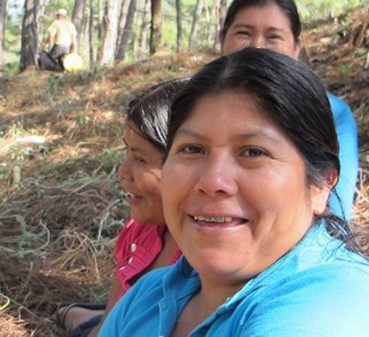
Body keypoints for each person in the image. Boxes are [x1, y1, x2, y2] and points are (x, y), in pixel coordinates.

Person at [99, 47, 369, 336]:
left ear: (320, 185)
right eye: (192, 149)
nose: (212, 180)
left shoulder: (329, 305)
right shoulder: (148, 296)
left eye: (253, 152)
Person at [54, 79, 187, 337]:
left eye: (140, 159)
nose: (123, 171)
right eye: (126, 153)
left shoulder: (202, 264)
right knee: (70, 316)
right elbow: (108, 327)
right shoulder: (138, 231)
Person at [219, 0, 359, 221]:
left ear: (296, 47)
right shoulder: (193, 105)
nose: (256, 46)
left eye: (273, 36)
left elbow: (337, 219)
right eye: (243, 33)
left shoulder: (333, 115)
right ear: (222, 40)